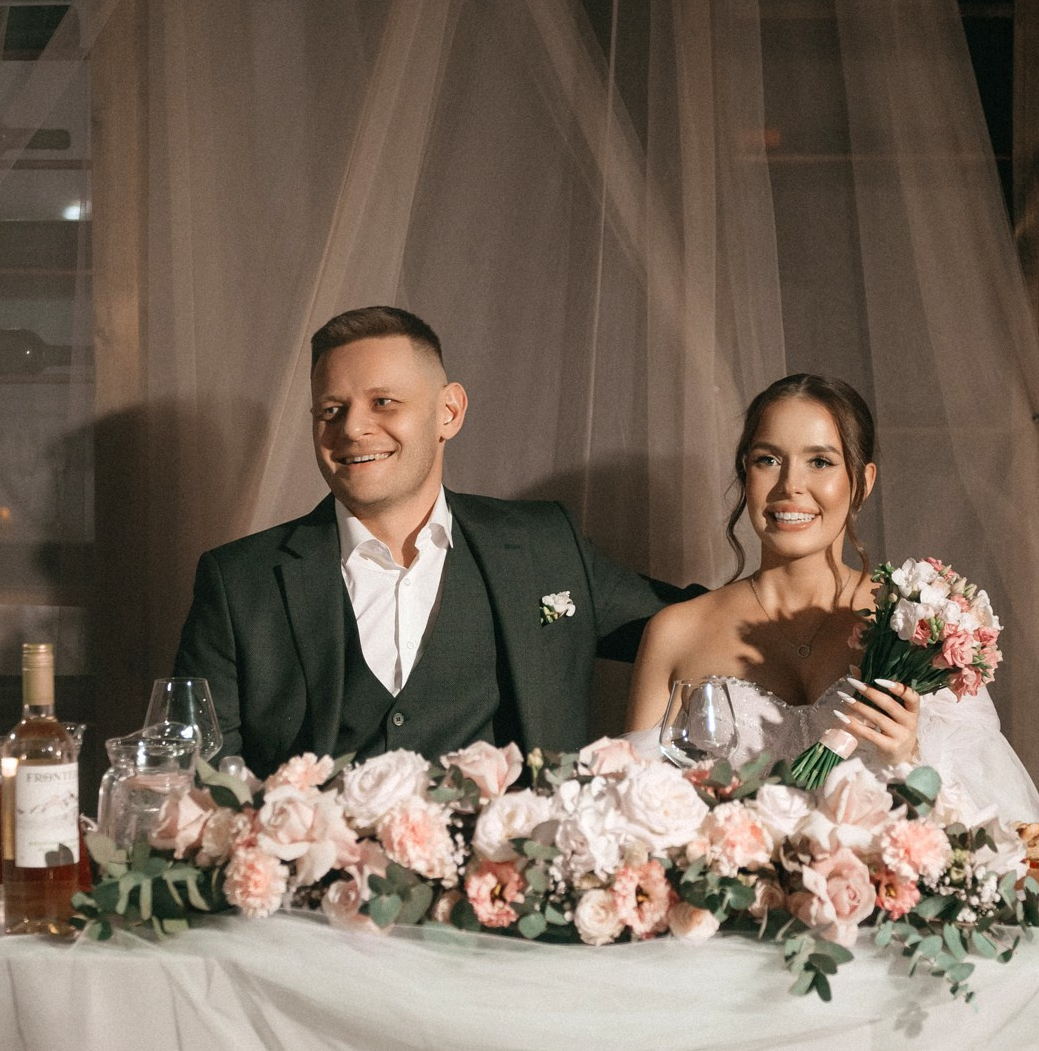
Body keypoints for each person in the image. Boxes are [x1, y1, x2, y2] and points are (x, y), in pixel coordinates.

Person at [174, 304, 695, 769]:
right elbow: (200, 774)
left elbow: (700, 627)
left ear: (449, 412)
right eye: (331, 410)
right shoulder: (238, 581)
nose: (352, 429)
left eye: (383, 402)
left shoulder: (546, 546)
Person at [626, 372, 1039, 823]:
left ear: (862, 481)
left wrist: (908, 760)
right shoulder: (676, 633)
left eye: (820, 462)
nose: (790, 485)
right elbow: (629, 813)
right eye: (768, 460)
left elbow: (988, 823)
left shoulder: (921, 627)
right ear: (745, 473)